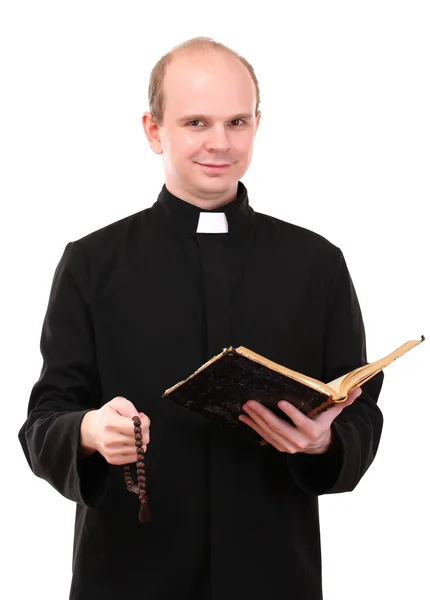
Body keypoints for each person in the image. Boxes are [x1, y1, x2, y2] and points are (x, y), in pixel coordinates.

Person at [18, 36, 384, 600]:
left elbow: (362, 411)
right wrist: (90, 431)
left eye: (237, 122)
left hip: (274, 574)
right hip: (127, 575)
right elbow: (44, 420)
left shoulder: (317, 263)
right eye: (196, 123)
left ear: (258, 124)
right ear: (153, 129)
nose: (220, 142)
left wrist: (322, 443)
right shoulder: (92, 263)